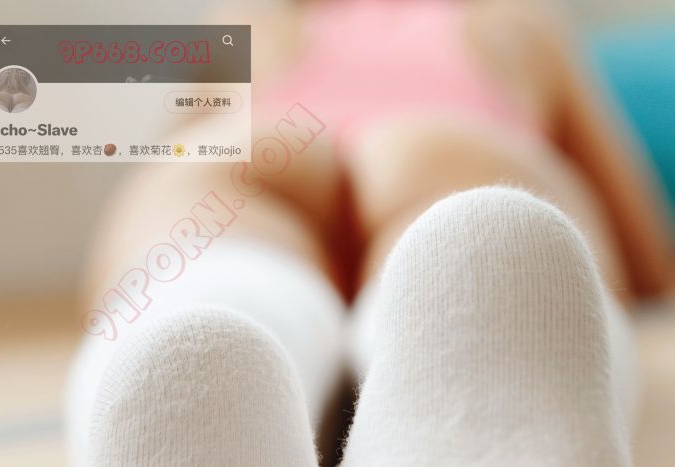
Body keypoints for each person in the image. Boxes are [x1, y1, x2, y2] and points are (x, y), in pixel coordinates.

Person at [65, 1, 673, 465]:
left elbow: (163, 173)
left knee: (203, 276)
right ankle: (483, 301)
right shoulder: (512, 23)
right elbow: (646, 260)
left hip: (256, 150)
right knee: (495, 255)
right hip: (452, 147)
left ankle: (193, 345)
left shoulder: (244, 23)